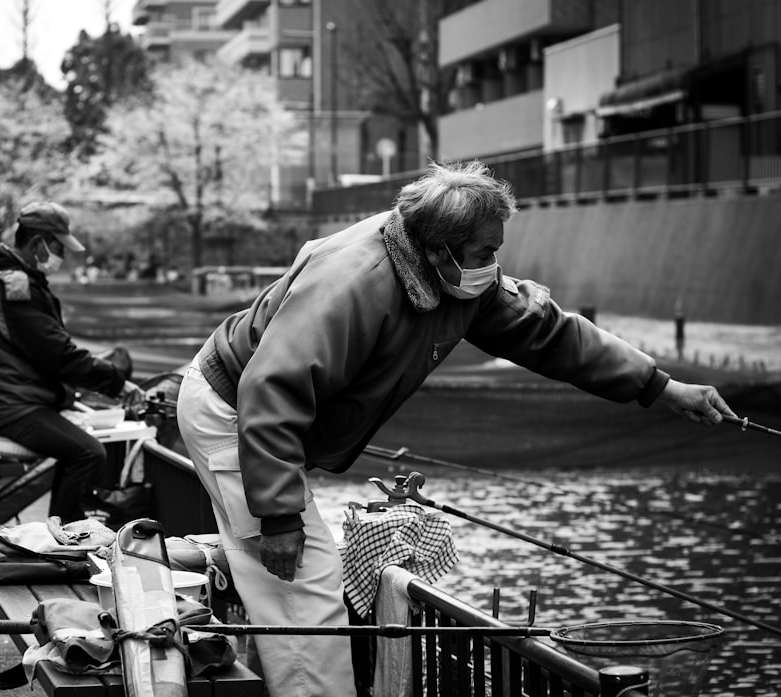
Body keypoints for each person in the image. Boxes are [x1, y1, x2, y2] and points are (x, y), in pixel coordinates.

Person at [174, 160, 736, 697]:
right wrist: (277, 514)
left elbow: (548, 333)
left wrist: (660, 387)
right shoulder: (354, 280)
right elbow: (272, 388)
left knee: (285, 567)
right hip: (231, 409)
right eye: (485, 249)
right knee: (300, 581)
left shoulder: (453, 276)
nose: (493, 261)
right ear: (440, 246)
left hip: (257, 411)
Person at [0, 201, 142, 523]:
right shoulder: (16, 288)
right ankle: (63, 539)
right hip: (6, 403)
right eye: (58, 248)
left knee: (80, 447)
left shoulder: (5, 281)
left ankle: (61, 532)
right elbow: (58, 355)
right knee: (88, 453)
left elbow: (48, 352)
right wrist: (117, 382)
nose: (61, 258)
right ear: (38, 244)